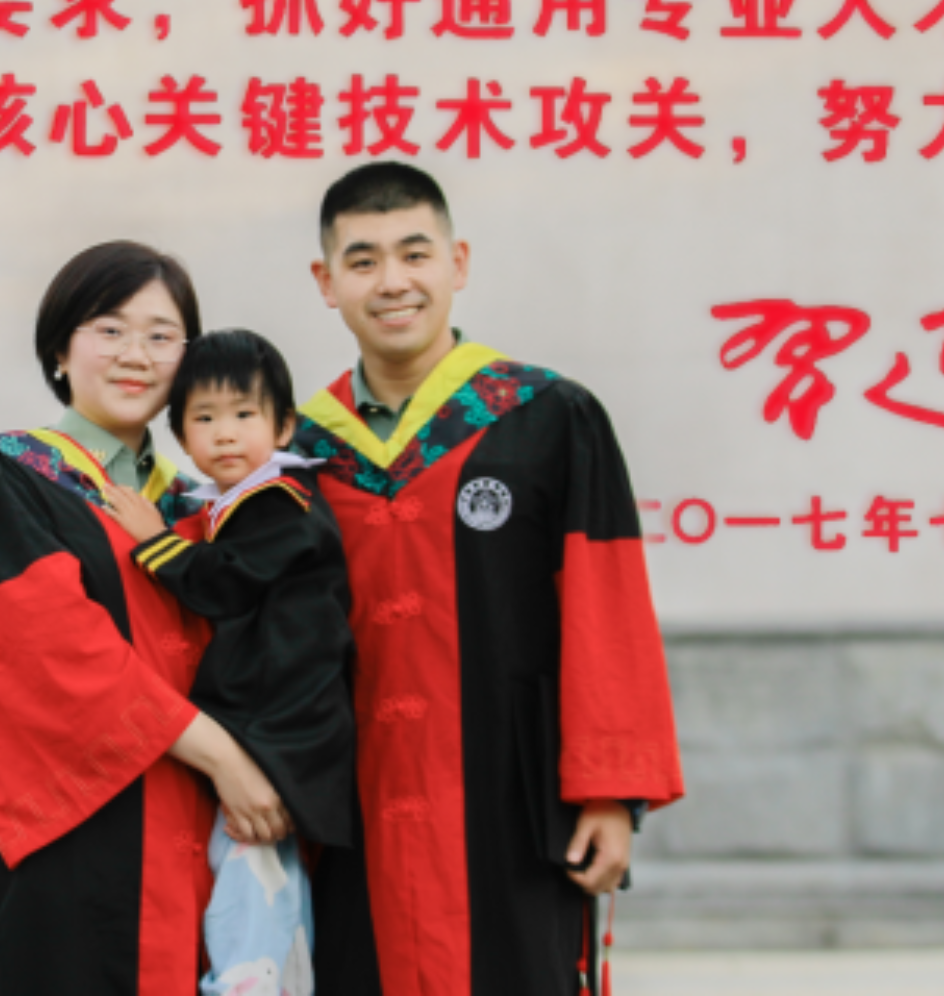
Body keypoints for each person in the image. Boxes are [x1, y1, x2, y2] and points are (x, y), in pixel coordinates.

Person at [288, 163, 684, 996]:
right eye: (362, 261)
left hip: (512, 799)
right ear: (326, 282)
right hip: (350, 810)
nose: (392, 282)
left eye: (414, 254)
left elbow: (605, 606)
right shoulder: (300, 455)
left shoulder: (547, 419)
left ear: (457, 263)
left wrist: (610, 793)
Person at [0, 241, 292, 996]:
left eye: (161, 335)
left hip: (214, 840)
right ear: (60, 349)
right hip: (80, 842)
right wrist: (226, 760)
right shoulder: (4, 476)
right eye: (110, 329)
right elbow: (52, 652)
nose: (136, 355)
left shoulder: (206, 508)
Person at [99, 330, 358, 996]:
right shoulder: (248, 501)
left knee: (251, 865)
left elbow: (223, 583)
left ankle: (246, 984)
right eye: (205, 418)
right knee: (265, 871)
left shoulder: (281, 503)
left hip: (285, 724)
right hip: (280, 718)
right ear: (181, 435)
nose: (225, 434)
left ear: (284, 426)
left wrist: (154, 542)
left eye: (244, 414)